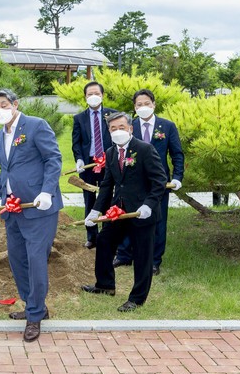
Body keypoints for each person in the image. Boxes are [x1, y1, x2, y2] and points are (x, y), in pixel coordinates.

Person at [0, 89, 63, 343]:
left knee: (36, 261)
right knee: (18, 261)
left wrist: (47, 191)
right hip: (12, 209)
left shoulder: (36, 125)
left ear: (15, 104)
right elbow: (5, 171)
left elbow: (53, 159)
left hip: (38, 207)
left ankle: (34, 316)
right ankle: (33, 305)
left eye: (3, 105)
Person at [81, 112, 166, 312]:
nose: (117, 131)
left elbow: (160, 181)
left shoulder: (145, 149)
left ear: (130, 129)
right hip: (118, 211)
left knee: (142, 255)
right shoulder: (111, 152)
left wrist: (148, 205)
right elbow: (107, 184)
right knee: (104, 241)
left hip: (142, 212)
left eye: (121, 127)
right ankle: (105, 285)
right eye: (113, 128)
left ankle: (137, 299)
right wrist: (95, 211)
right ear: (109, 131)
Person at [113, 89, 184, 276]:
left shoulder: (167, 126)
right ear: (134, 107)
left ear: (153, 104)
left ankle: (154, 260)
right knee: (128, 218)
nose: (143, 107)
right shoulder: (129, 126)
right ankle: (124, 254)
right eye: (139, 104)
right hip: (132, 182)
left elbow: (177, 154)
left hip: (158, 183)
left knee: (158, 221)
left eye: (146, 103)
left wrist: (177, 177)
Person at [71, 82, 117, 249]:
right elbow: (76, 142)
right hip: (89, 164)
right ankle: (92, 236)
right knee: (89, 199)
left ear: (102, 95)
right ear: (85, 97)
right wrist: (79, 159)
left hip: (108, 163)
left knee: (107, 198)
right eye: (90, 94)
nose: (93, 96)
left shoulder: (112, 115)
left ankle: (107, 235)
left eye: (96, 93)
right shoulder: (79, 118)